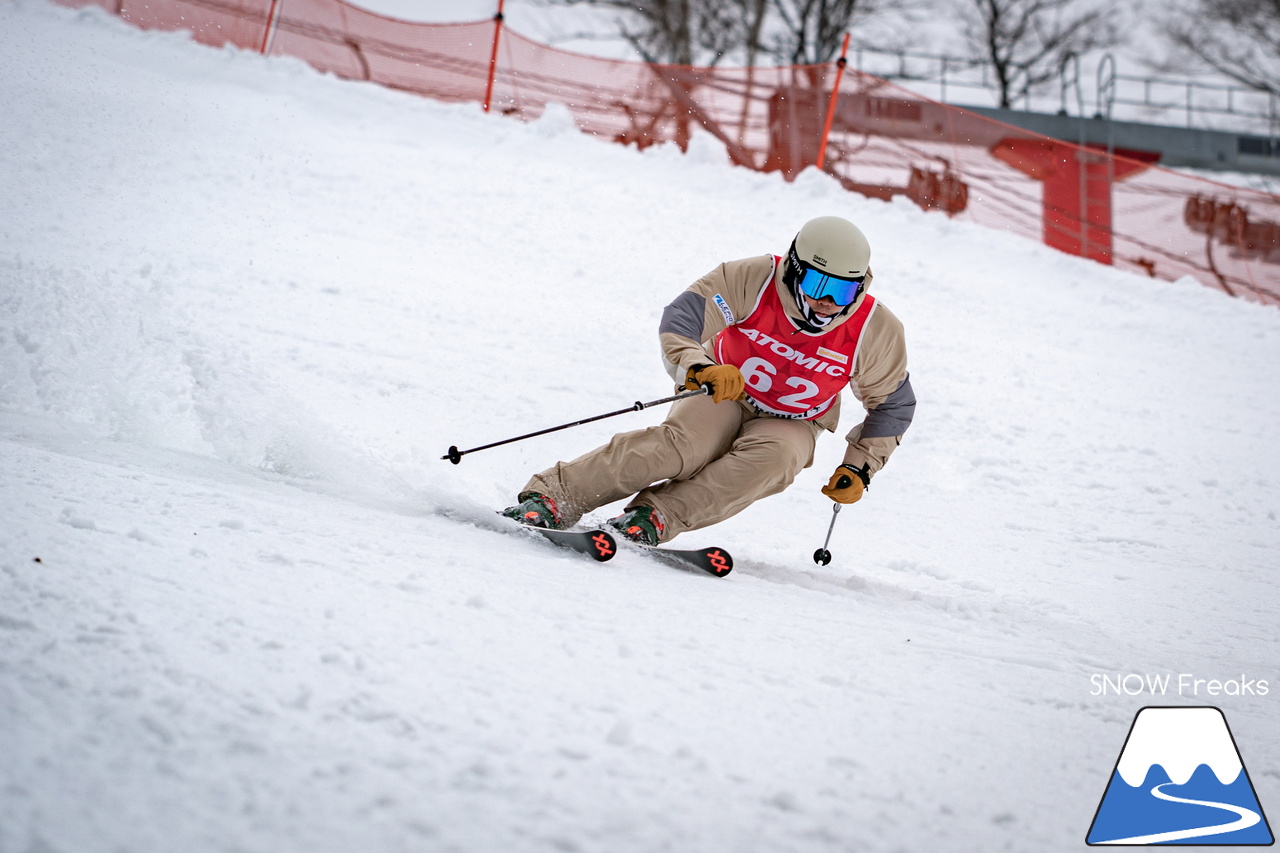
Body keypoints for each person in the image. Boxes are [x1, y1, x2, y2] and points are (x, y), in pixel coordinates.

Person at [502, 215, 915, 546]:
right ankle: (556, 496)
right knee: (684, 447)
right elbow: (683, 317)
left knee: (775, 462)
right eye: (818, 283)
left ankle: (655, 517)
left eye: (843, 291)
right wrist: (698, 367)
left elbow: (892, 405)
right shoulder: (754, 278)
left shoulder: (874, 329)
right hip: (723, 387)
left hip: (795, 418)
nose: (826, 301)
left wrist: (860, 467)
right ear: (794, 269)